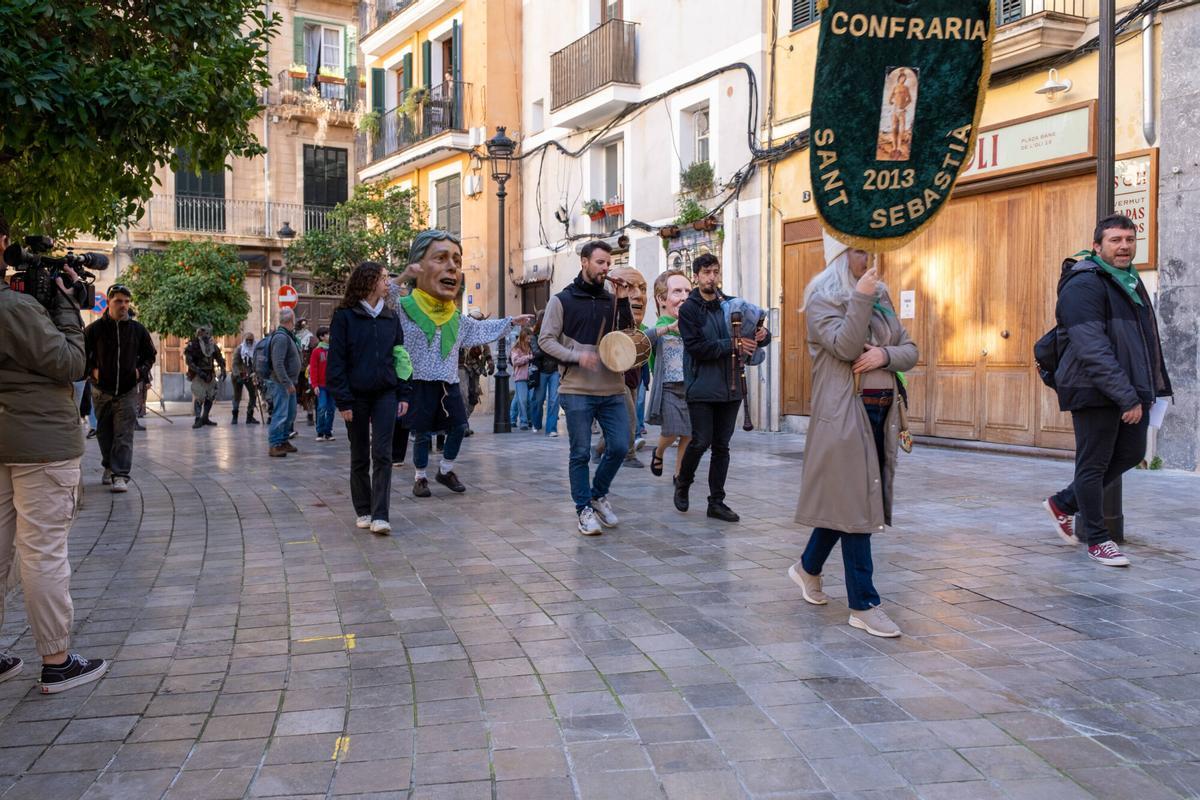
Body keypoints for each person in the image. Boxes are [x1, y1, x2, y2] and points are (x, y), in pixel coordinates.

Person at [0, 215, 110, 693]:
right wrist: (66, 310)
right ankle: (57, 660)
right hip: (41, 443)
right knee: (42, 551)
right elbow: (70, 362)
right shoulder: (14, 308)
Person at [789, 233, 918, 638]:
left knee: (850, 501)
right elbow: (845, 347)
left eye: (870, 249)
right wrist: (862, 297)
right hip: (845, 416)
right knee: (858, 509)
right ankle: (864, 604)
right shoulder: (822, 301)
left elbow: (910, 351)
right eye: (860, 250)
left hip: (882, 412)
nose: (870, 258)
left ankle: (807, 568)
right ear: (841, 257)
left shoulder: (881, 298)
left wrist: (884, 355)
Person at [1042, 214, 1172, 566]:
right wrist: (1126, 396)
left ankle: (1064, 503)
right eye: (1115, 240)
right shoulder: (1083, 283)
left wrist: (1150, 388)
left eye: (1130, 239)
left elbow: (1142, 341)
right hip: (1092, 386)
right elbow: (1091, 347)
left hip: (1128, 386)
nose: (1125, 245)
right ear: (1097, 246)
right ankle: (1097, 539)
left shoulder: (1129, 281)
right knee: (1094, 463)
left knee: (1130, 453)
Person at [395, 230, 531, 497]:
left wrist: (511, 322)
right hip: (419, 382)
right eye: (442, 258)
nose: (453, 267)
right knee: (422, 434)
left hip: (448, 383)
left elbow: (481, 329)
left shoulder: (455, 317)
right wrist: (403, 276)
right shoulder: (403, 308)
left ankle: (445, 470)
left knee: (459, 427)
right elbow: (381, 296)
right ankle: (420, 477)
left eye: (457, 260)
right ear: (418, 265)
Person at [538, 240, 633, 536]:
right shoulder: (561, 300)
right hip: (576, 388)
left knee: (620, 446)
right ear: (584, 262)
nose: (606, 268)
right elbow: (545, 340)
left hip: (613, 388)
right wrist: (576, 356)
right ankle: (584, 510)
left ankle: (597, 493)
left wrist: (623, 299)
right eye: (601, 262)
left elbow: (628, 336)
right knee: (579, 453)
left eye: (608, 263)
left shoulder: (611, 298)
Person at [674, 254, 772, 522]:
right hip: (701, 386)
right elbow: (696, 348)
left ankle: (716, 502)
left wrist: (762, 335)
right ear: (696, 275)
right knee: (701, 441)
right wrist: (733, 345)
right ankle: (683, 482)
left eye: (715, 271)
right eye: (706, 272)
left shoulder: (730, 304)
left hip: (731, 385)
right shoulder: (689, 310)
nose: (712, 277)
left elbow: (752, 333)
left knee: (722, 446)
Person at [328, 261, 411, 533]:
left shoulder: (390, 318)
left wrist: (404, 392)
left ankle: (380, 515)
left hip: (386, 394)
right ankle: (363, 510)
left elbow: (401, 358)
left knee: (383, 453)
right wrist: (343, 401)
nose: (388, 283)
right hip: (356, 396)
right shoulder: (345, 317)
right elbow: (336, 362)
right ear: (369, 281)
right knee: (360, 454)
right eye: (384, 278)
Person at [83, 284, 156, 493]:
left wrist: (139, 372)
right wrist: (92, 371)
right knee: (104, 433)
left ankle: (120, 475)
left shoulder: (138, 330)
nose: (123, 305)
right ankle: (108, 465)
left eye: (126, 301)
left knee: (124, 434)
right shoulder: (94, 330)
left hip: (127, 390)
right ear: (109, 302)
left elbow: (150, 355)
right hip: (101, 391)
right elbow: (81, 354)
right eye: (118, 301)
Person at [645, 270, 693, 479]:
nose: (684, 297)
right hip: (668, 388)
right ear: (661, 299)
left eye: (688, 292)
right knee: (672, 430)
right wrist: (669, 329)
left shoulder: (691, 325)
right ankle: (659, 451)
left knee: (689, 434)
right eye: (677, 291)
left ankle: (679, 475)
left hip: (691, 387)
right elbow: (644, 339)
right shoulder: (658, 327)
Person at [265, 309, 302, 458]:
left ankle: (284, 440)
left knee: (290, 413)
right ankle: (275, 444)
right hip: (281, 383)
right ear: (290, 320)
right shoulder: (281, 338)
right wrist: (287, 383)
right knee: (280, 413)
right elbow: (278, 363)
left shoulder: (287, 336)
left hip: (288, 382)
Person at [184, 325, 226, 429]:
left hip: (210, 373)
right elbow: (189, 361)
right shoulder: (193, 345)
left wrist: (223, 369)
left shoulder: (212, 345)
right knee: (199, 396)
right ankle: (198, 419)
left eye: (207, 333)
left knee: (211, 396)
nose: (206, 336)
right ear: (199, 334)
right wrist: (199, 372)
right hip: (198, 374)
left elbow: (219, 357)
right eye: (203, 333)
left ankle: (205, 417)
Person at [529, 311, 561, 437]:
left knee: (554, 400)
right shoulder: (534, 336)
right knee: (538, 400)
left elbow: (559, 349)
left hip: (555, 370)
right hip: (541, 371)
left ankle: (551, 428)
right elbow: (536, 353)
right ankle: (536, 424)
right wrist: (550, 348)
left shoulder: (556, 334)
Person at [308, 326, 334, 441]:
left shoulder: (334, 350)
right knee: (322, 407)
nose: (329, 336)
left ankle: (328, 431)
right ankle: (320, 431)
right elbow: (313, 369)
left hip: (332, 386)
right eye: (327, 334)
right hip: (321, 386)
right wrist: (315, 385)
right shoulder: (316, 351)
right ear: (321, 337)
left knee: (331, 409)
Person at [230, 332, 260, 425]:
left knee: (253, 394)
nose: (249, 342)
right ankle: (235, 417)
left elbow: (256, 363)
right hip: (238, 375)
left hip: (250, 375)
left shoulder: (255, 349)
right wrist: (238, 375)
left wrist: (256, 373)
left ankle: (249, 416)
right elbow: (234, 364)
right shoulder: (240, 349)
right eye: (247, 340)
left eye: (250, 340)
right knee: (237, 396)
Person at [509, 328, 534, 430]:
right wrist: (528, 357)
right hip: (520, 377)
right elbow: (515, 361)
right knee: (522, 400)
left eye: (530, 338)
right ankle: (523, 421)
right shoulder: (516, 348)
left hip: (531, 376)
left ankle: (513, 419)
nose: (529, 340)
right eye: (528, 338)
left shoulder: (531, 347)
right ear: (523, 337)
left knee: (523, 399)